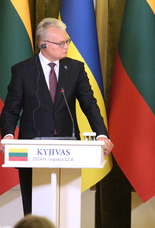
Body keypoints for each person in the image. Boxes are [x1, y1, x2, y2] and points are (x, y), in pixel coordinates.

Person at [0, 18, 113, 215]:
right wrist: (8, 135)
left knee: (66, 210)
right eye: (60, 43)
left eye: (66, 41)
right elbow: (11, 109)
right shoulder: (23, 70)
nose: (66, 46)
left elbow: (89, 104)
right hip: (31, 150)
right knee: (34, 210)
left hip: (69, 148)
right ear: (43, 45)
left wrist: (102, 134)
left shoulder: (75, 69)